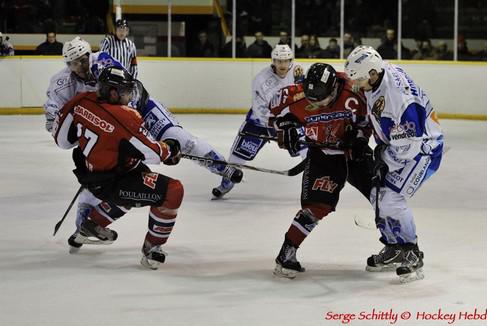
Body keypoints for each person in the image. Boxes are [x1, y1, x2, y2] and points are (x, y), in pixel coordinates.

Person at [45, 36, 242, 252]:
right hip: (109, 124)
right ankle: (86, 225)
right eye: (74, 63)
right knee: (103, 176)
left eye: (82, 59)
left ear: (88, 54)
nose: (80, 66)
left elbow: (127, 94)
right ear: (67, 64)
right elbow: (56, 115)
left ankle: (222, 167)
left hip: (140, 109)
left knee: (181, 139)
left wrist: (133, 126)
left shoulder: (102, 61)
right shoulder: (60, 83)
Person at [52, 66, 183, 269]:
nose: (129, 95)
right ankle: (152, 247)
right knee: (173, 190)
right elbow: (155, 153)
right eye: (125, 91)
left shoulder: (81, 100)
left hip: (91, 174)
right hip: (113, 181)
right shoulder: (125, 116)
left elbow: (62, 141)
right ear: (113, 93)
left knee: (138, 184)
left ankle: (91, 225)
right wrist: (171, 150)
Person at [344, 46, 444, 282]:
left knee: (391, 199)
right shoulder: (380, 73)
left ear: (371, 74)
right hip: (401, 145)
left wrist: (384, 160)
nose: (355, 84)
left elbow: (409, 145)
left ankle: (411, 251)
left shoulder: (397, 99)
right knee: (378, 196)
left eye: (358, 78)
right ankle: (394, 247)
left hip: (424, 148)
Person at [270, 63, 374, 279]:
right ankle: (287, 252)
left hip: (355, 154)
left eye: (323, 99)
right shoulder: (294, 95)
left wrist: (361, 139)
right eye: (313, 100)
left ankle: (398, 247)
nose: (318, 104)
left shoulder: (355, 89)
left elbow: (370, 120)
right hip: (323, 155)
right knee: (315, 207)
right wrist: (285, 126)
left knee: (383, 196)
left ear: (334, 87)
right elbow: (270, 114)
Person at [212, 44, 305, 198]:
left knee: (306, 147)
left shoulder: (298, 72)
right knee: (238, 156)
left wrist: (301, 84)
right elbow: (259, 108)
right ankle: (226, 183)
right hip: (260, 123)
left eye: (286, 61)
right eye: (279, 61)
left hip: (288, 122)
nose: (283, 65)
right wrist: (274, 122)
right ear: (273, 61)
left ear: (291, 60)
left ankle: (310, 183)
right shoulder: (261, 79)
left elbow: (304, 99)